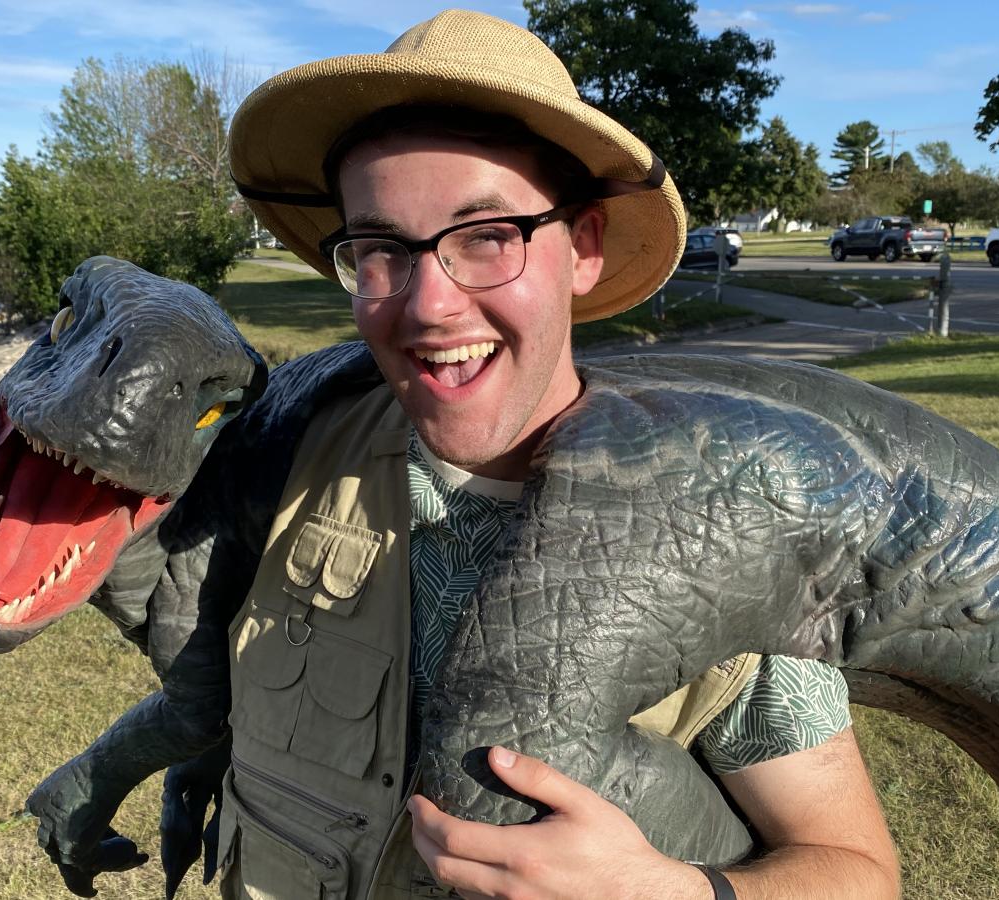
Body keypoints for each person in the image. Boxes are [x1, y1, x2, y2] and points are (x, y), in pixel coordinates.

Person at [222, 9, 899, 899]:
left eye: (487, 237)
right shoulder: (298, 454)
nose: (429, 306)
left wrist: (675, 894)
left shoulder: (717, 523)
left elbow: (856, 870)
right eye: (382, 248)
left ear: (582, 248)